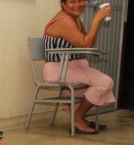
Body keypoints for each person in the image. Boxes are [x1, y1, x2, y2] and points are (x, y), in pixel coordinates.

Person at [44, 0, 115, 134]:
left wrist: (96, 22)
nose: (77, 4)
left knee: (97, 81)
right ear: (63, 4)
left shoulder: (75, 19)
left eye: (81, 0)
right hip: (60, 69)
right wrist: (96, 20)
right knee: (105, 82)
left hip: (71, 66)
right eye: (72, 1)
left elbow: (88, 41)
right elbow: (86, 45)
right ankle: (78, 118)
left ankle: (79, 117)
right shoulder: (64, 21)